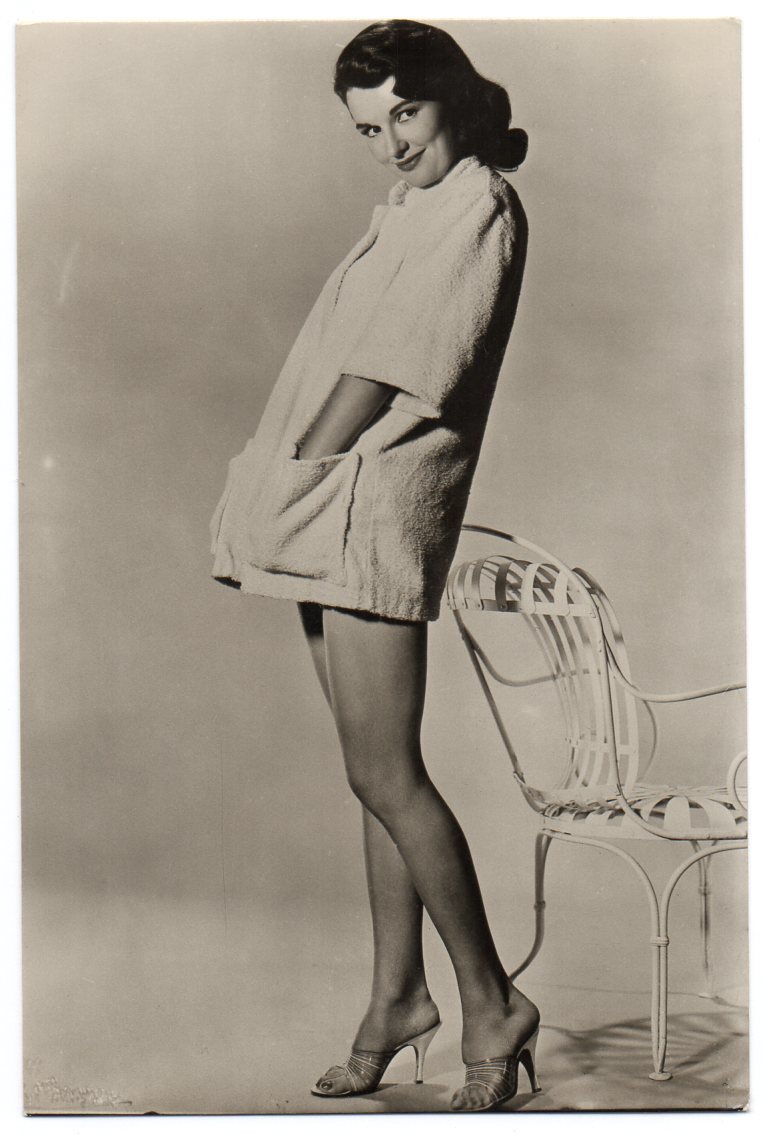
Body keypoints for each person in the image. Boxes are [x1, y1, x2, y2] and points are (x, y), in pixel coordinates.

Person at [209, 19, 538, 1113]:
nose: (392, 141)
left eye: (406, 111)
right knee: (375, 772)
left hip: (370, 508)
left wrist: (300, 464)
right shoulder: (414, 206)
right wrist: (299, 477)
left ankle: (492, 1002)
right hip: (335, 506)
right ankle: (398, 999)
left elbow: (397, 364)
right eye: (369, 127)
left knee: (386, 775)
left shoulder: (478, 203)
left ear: (451, 97)